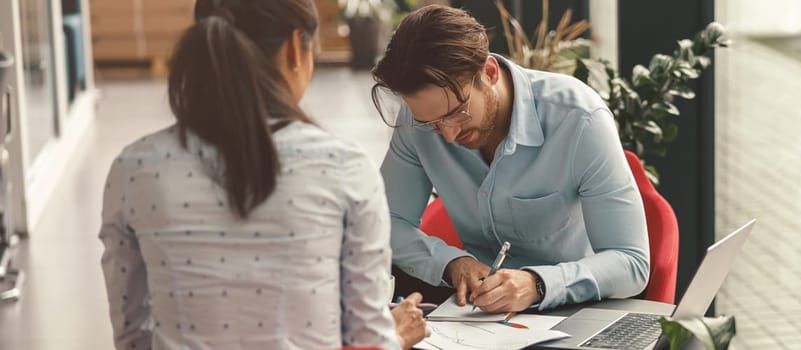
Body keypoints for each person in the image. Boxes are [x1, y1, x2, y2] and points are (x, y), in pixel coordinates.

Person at [99, 0, 427, 348]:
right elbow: (367, 338)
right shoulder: (344, 167)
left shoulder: (135, 169)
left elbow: (132, 337)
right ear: (294, 49)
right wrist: (393, 336)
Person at [372, 5, 651, 313]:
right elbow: (384, 224)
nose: (448, 136)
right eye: (433, 124)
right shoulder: (416, 123)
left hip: (572, 308)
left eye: (457, 114)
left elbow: (631, 262)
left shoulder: (579, 119)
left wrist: (538, 284)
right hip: (478, 315)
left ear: (489, 72)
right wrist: (452, 262)